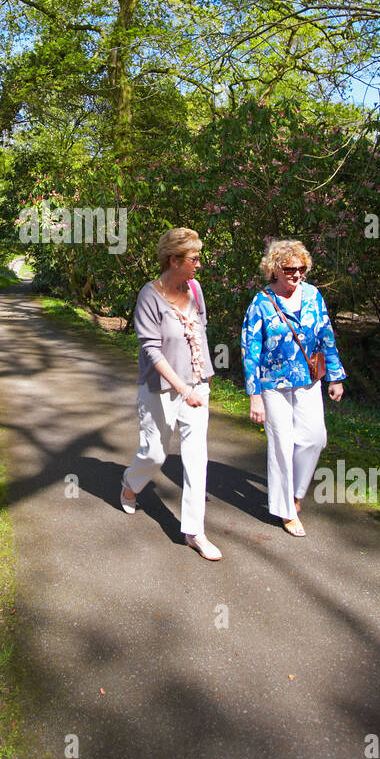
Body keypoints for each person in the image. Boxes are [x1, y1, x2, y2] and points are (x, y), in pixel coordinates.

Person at [121, 227, 221, 560]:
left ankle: (194, 531)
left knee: (197, 459)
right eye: (194, 258)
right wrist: (181, 387)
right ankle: (131, 484)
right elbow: (151, 349)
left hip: (196, 385)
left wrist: (204, 377)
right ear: (174, 260)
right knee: (155, 454)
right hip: (159, 388)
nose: (199, 264)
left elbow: (201, 331)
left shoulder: (195, 288)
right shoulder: (149, 296)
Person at [241, 239, 345, 537]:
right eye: (290, 269)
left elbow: (326, 335)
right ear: (275, 269)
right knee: (282, 445)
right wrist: (254, 396)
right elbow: (250, 350)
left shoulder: (313, 295)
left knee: (315, 438)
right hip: (272, 384)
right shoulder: (260, 303)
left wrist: (335, 377)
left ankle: (297, 493)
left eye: (302, 268)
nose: (297, 274)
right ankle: (286, 510)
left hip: (308, 379)